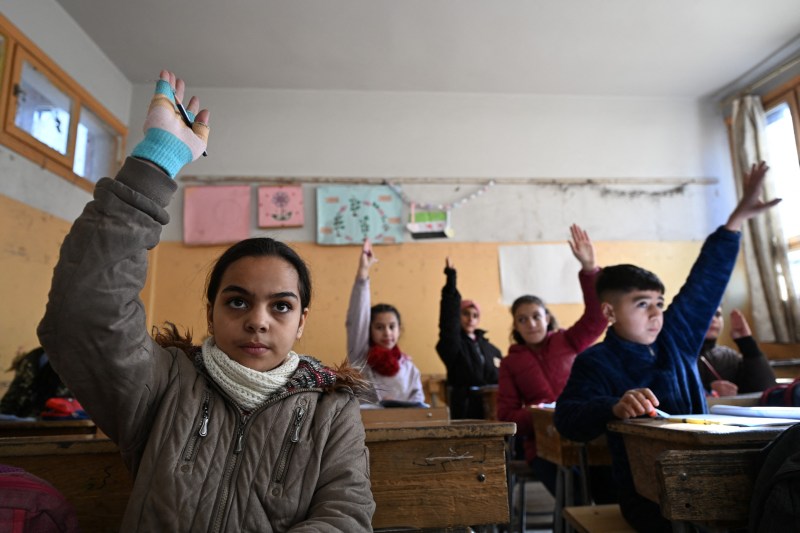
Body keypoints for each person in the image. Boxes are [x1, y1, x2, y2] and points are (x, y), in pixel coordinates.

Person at [37, 70, 375, 531]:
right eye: (237, 302)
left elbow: (345, 518)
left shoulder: (330, 410)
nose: (258, 321)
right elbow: (84, 314)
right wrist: (157, 161)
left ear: (301, 322)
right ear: (211, 312)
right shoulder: (162, 386)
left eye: (281, 306)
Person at [553, 161, 780, 533]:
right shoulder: (596, 362)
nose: (656, 313)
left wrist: (736, 220)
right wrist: (613, 405)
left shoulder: (676, 338)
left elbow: (704, 283)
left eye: (659, 302)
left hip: (712, 479)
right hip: (649, 498)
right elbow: (567, 419)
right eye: (642, 304)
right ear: (609, 311)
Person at [497, 224, 607, 495]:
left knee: (609, 490)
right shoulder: (511, 363)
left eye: (536, 315)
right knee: (574, 497)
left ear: (547, 317)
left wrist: (590, 268)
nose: (531, 323)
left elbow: (598, 317)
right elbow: (506, 416)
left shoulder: (569, 340)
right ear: (516, 326)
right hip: (543, 446)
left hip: (587, 437)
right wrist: (543, 414)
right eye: (522, 319)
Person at [346, 239, 425, 406]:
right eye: (379, 327)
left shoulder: (408, 367)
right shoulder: (361, 357)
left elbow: (419, 405)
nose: (387, 333)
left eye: (392, 327)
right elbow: (358, 316)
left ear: (399, 329)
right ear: (369, 330)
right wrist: (363, 272)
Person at [435, 257, 501, 419]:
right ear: (458, 315)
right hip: (464, 409)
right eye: (465, 314)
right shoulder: (453, 344)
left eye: (475, 315)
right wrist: (451, 282)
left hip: (492, 408)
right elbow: (448, 322)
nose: (470, 318)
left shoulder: (492, 349)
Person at [698, 307, 776, 396]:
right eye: (704, 313)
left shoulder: (729, 357)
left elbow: (765, 391)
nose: (713, 319)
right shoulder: (679, 357)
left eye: (717, 314)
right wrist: (707, 391)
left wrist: (747, 342)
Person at [0, 346, 71, 418]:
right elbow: (12, 400)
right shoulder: (35, 357)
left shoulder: (73, 359)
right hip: (32, 420)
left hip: (54, 420)